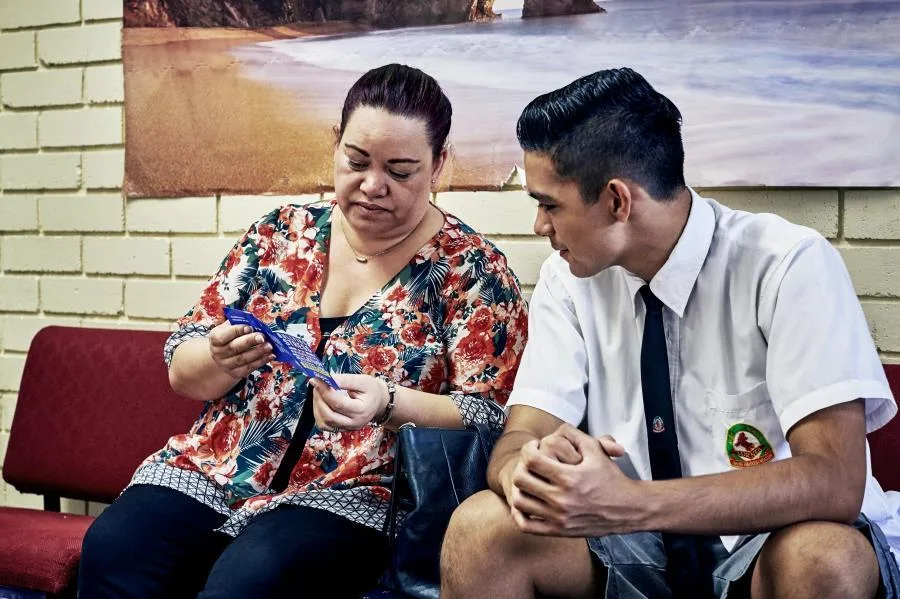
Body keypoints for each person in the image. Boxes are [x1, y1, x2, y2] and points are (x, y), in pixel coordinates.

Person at [440, 67, 900, 599]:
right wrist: (529, 474)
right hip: (631, 544)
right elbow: (520, 434)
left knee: (823, 556)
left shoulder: (788, 263)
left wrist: (628, 501)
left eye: (549, 205)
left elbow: (834, 481)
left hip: (764, 542)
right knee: (481, 526)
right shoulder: (566, 281)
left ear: (617, 201)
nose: (540, 226)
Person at [79, 63, 528, 599]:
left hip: (354, 494)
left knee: (249, 582)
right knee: (115, 547)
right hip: (217, 467)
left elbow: (490, 416)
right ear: (335, 145)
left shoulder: (471, 273)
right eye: (356, 161)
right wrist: (217, 359)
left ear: (439, 166)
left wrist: (390, 402)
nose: (372, 186)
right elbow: (182, 370)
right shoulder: (277, 235)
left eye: (401, 171)